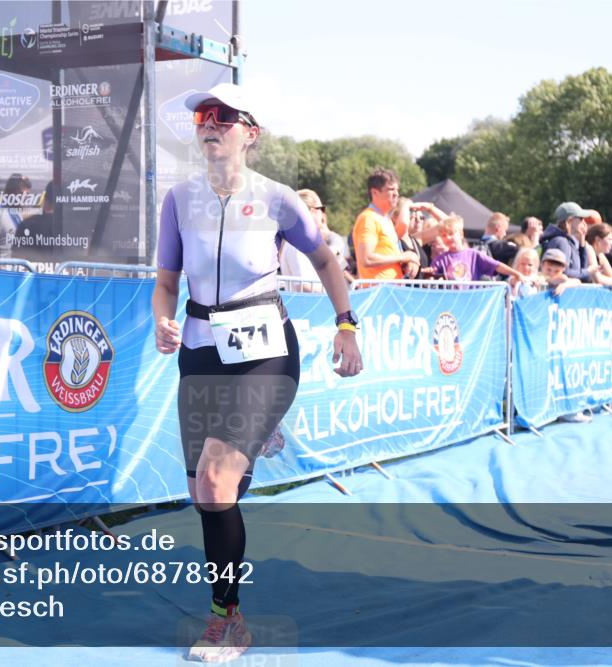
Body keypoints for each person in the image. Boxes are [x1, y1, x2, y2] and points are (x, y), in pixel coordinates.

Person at [152, 82, 362, 663]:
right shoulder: (178, 200)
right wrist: (162, 322)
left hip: (265, 349)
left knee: (217, 484)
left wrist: (347, 325)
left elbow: (324, 258)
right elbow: (166, 282)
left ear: (251, 132)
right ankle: (257, 434)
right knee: (206, 493)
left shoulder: (278, 199)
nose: (208, 124)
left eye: (221, 116)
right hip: (201, 350)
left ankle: (229, 619)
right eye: (200, 117)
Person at [351, 168, 418, 282]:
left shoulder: (386, 219)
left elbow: (387, 255)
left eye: (397, 189)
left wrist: (407, 263)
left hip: (390, 290)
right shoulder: (368, 219)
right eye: (391, 189)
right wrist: (403, 257)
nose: (396, 194)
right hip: (378, 292)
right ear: (375, 193)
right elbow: (366, 259)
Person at [280, 188, 354, 289]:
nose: (323, 214)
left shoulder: (302, 243)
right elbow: (303, 286)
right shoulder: (296, 246)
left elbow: (341, 268)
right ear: (312, 211)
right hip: (310, 304)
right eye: (321, 209)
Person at [430, 215, 524, 284]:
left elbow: (496, 265)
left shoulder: (474, 255)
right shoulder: (440, 260)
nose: (448, 238)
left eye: (451, 234)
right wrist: (429, 274)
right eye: (444, 235)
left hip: (472, 302)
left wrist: (516, 274)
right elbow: (431, 276)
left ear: (461, 234)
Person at [390, 197, 446, 279]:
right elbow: (403, 223)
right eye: (410, 211)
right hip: (401, 290)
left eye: (414, 211)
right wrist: (407, 204)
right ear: (395, 216)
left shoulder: (417, 239)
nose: (415, 216)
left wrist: (430, 208)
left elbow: (449, 224)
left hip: (419, 290)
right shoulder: (391, 238)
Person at [540, 201, 593, 282]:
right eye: (581, 219)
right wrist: (588, 272)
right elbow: (564, 272)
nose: (584, 223)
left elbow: (579, 269)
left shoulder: (566, 240)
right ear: (569, 221)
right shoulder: (561, 241)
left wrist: (582, 244)